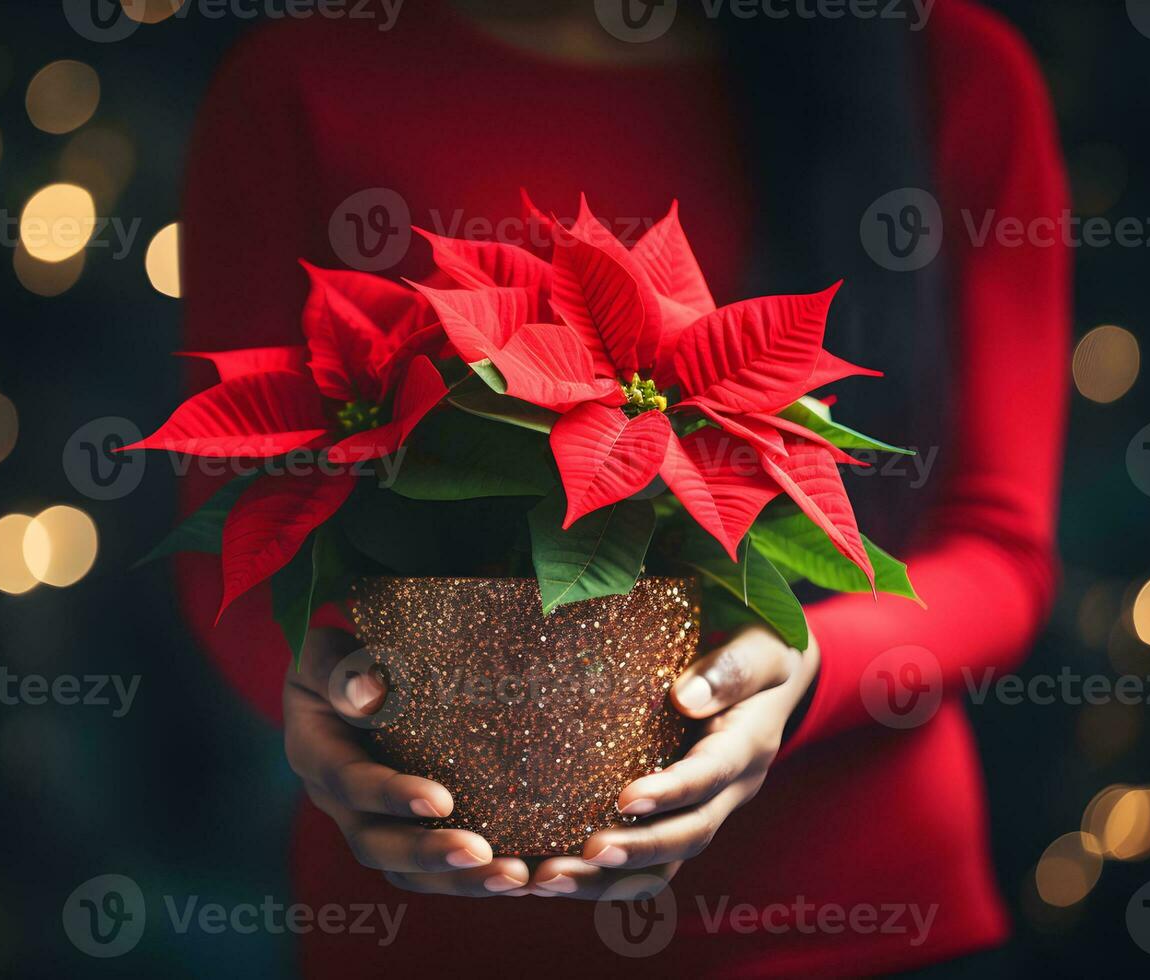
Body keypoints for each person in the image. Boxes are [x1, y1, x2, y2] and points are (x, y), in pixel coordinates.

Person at [173, 1, 1068, 974]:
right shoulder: (302, 76)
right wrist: (338, 709)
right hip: (439, 921)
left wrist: (803, 668)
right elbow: (241, 543)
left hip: (850, 916)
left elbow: (998, 546)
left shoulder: (947, 65)